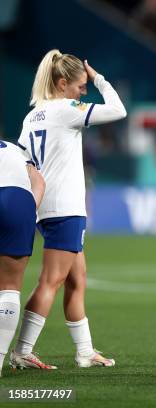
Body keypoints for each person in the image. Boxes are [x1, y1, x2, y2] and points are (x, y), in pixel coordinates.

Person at [11, 49, 127, 369]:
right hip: (65, 207)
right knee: (51, 280)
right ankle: (22, 350)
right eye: (79, 86)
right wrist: (99, 77)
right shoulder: (66, 108)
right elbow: (118, 110)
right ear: (62, 84)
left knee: (77, 278)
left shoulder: (33, 114)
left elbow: (22, 159)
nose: (83, 91)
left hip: (46, 205)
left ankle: (85, 351)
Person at [0, 140, 45, 376]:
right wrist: (29, 211)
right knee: (9, 287)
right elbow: (38, 181)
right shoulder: (14, 149)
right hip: (18, 200)